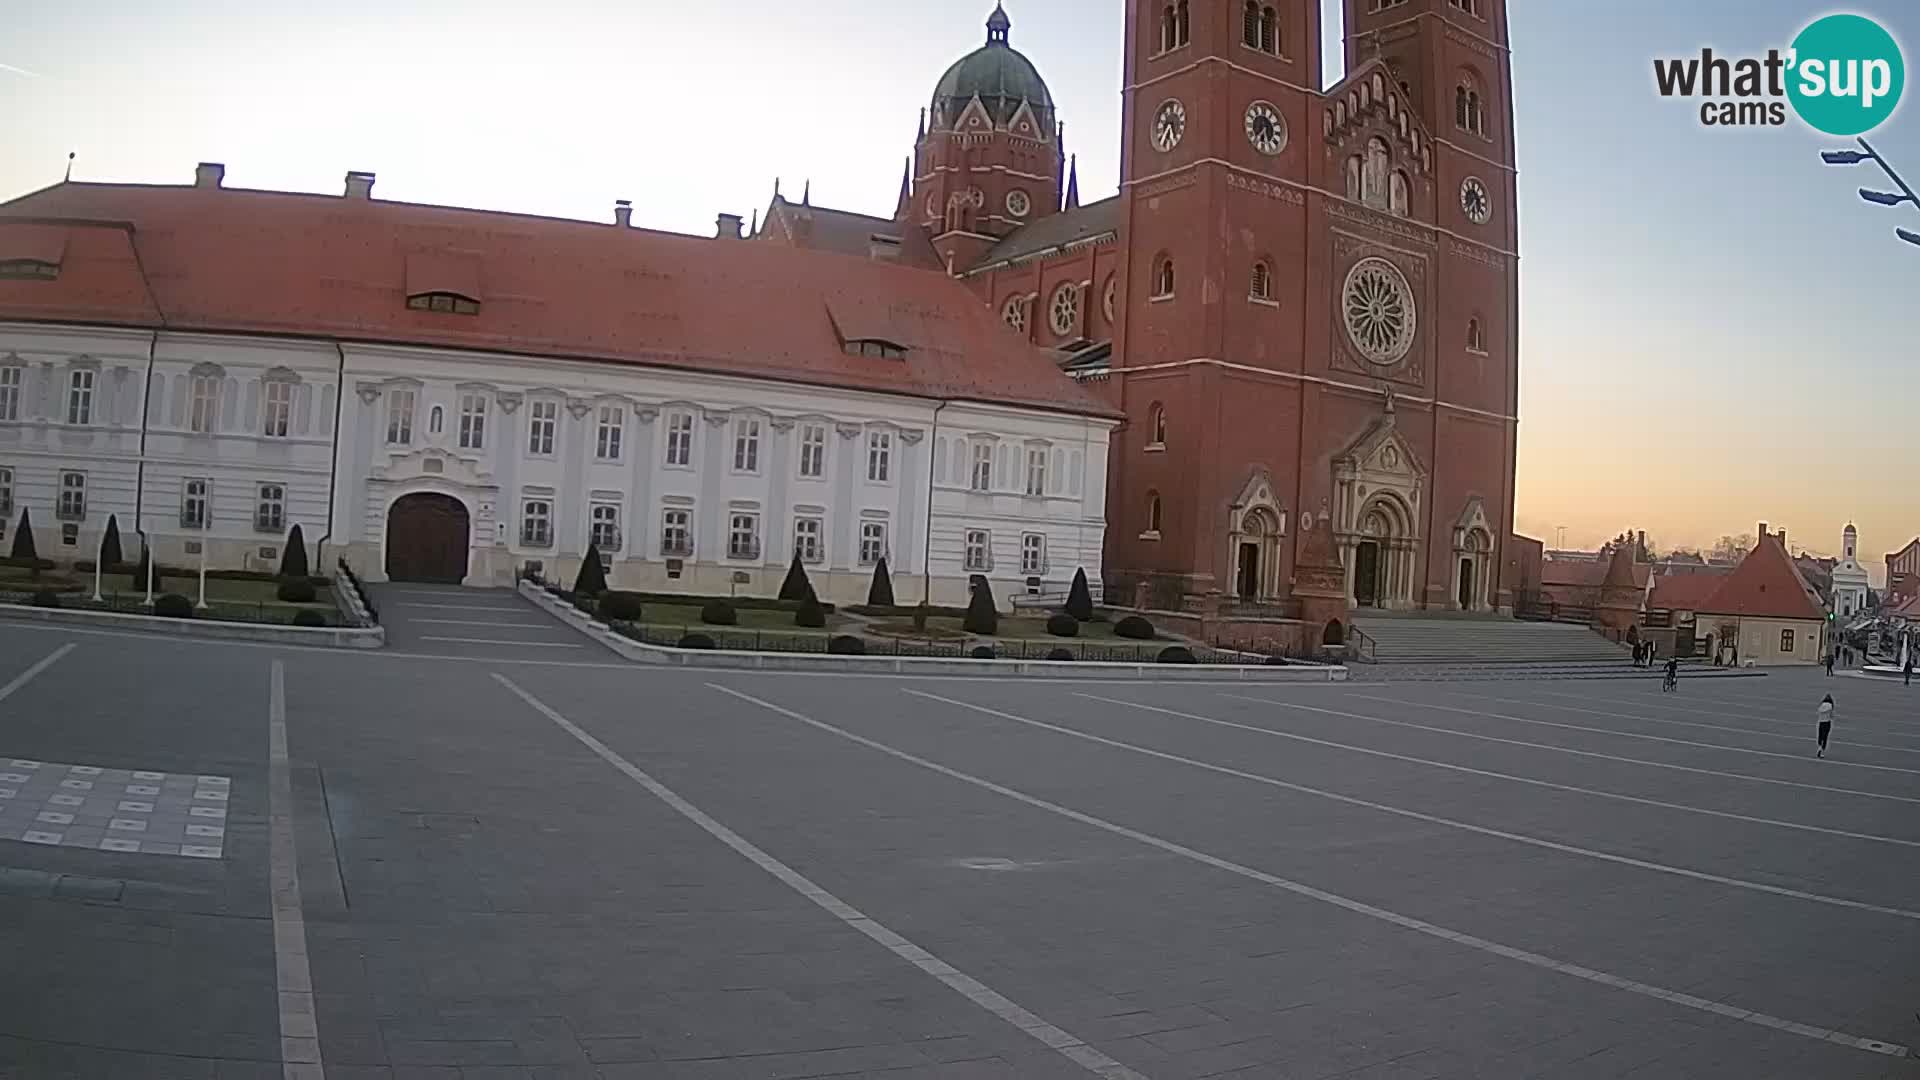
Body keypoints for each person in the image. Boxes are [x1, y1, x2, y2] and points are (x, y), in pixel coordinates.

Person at [1816, 694, 1834, 758]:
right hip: (1827, 723)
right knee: (1825, 737)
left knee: (1820, 736)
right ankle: (1822, 750)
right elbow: (1832, 716)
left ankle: (1819, 747)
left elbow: (1818, 712)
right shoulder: (1830, 706)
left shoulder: (1821, 706)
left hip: (1821, 722)